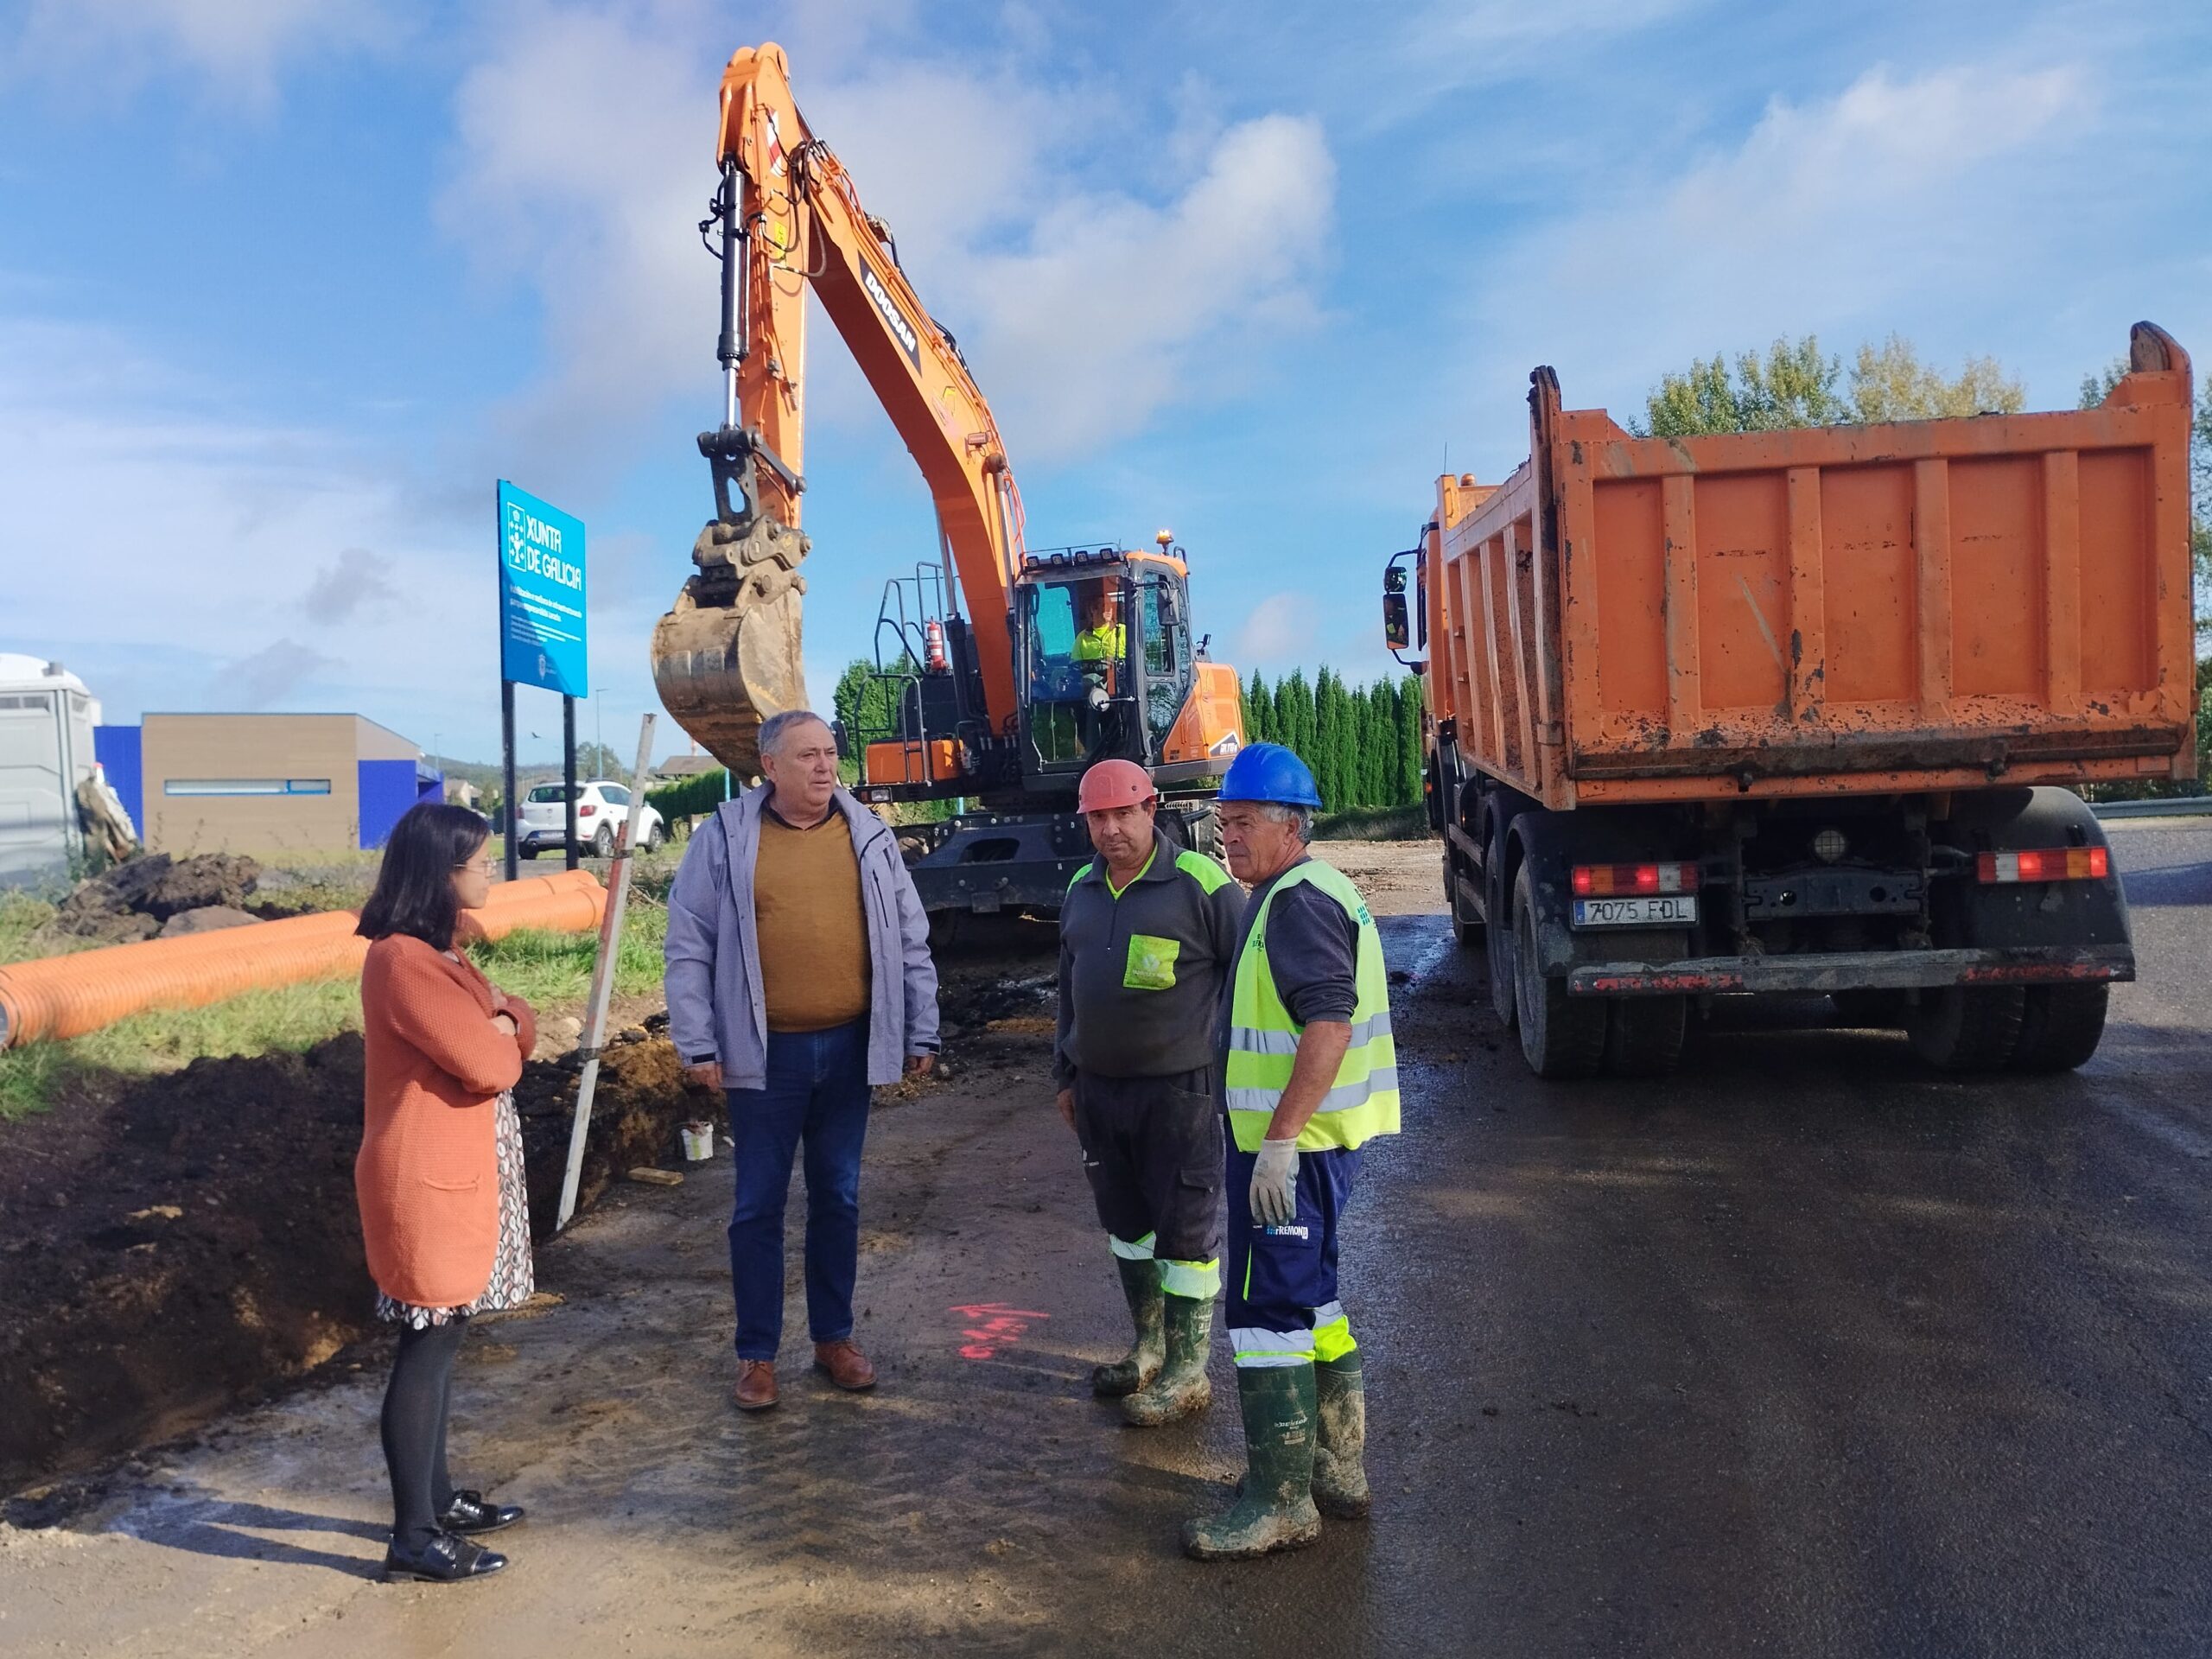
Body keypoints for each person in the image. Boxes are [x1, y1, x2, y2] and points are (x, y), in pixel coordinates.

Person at [664, 709, 940, 1412]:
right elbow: (689, 946)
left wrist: (920, 1029)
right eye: (807, 755)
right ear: (770, 767)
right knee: (757, 1206)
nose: (824, 765)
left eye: (829, 752)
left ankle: (834, 1339)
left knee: (838, 1198)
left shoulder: (870, 835)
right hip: (763, 1059)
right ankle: (757, 1356)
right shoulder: (725, 838)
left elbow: (912, 937)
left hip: (848, 1049)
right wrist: (697, 1043)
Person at [1183, 742, 1401, 1562]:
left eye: (1240, 823)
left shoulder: (1297, 902)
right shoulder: (1305, 890)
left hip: (1289, 1154)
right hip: (1317, 1148)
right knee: (1316, 1302)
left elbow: (1329, 1025)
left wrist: (1275, 1145)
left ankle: (1280, 1502)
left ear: (1288, 825)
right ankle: (1336, 1469)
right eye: (1222, 822)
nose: (1225, 837)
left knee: (1268, 1315)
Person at [355, 803, 537, 1584]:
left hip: (456, 1177)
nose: (491, 871)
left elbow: (516, 1027)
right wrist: (498, 1032)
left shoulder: (447, 953)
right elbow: (492, 1062)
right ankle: (413, 1533)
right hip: (424, 1185)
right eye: (480, 861)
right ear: (442, 873)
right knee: (425, 1348)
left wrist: (504, 1021)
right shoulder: (404, 961)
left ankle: (436, 1497)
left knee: (446, 1335)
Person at [1053, 759, 1243, 1426]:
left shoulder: (1202, 885)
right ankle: (1150, 1349)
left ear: (1151, 808)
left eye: (1122, 814)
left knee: (1185, 1232)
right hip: (1101, 1094)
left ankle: (1191, 1372)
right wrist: (1066, 1073)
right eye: (1097, 818)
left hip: (1180, 1093)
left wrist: (1238, 1071)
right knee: (1127, 1227)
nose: (1110, 830)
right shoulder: (1080, 888)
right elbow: (1069, 990)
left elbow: (1249, 974)